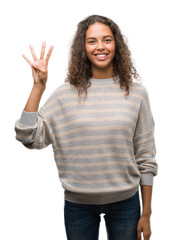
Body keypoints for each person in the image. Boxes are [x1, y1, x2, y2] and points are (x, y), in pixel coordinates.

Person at [14, 15, 158, 240]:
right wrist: (38, 87)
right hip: (78, 206)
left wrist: (147, 212)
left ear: (116, 45)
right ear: (83, 47)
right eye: (92, 41)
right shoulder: (64, 94)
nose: (100, 46)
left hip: (126, 204)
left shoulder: (137, 94)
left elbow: (146, 156)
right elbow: (28, 137)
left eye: (107, 40)